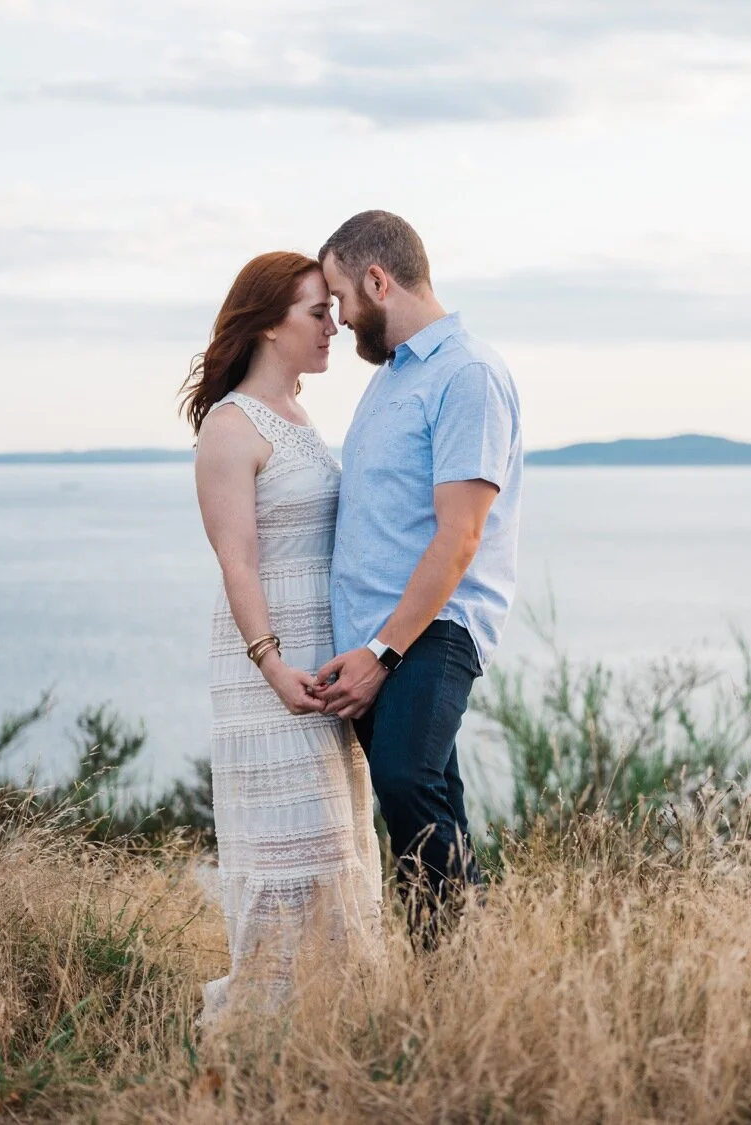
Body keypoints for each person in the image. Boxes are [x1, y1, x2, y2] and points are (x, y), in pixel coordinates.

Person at [312, 210, 524, 942]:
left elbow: (461, 534)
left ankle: (448, 971)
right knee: (430, 796)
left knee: (405, 782)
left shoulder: (467, 375)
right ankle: (461, 982)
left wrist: (382, 653)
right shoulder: (395, 379)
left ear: (379, 279)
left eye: (341, 297)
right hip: (385, 635)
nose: (338, 319)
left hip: (432, 629)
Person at [182, 251, 381, 1023]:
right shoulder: (230, 427)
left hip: (321, 673)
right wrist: (273, 665)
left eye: (331, 309)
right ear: (269, 322)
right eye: (316, 311)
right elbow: (237, 562)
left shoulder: (301, 417)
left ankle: (328, 1028)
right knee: (290, 858)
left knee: (337, 849)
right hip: (270, 673)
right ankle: (248, 1036)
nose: (335, 323)